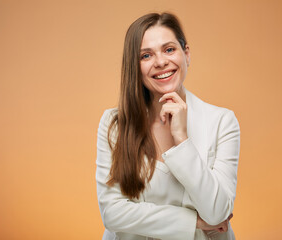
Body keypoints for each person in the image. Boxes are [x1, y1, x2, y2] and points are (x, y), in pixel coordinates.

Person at [96, 12, 240, 240]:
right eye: (146, 55)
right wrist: (193, 222)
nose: (161, 61)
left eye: (169, 49)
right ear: (135, 66)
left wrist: (182, 140)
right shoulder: (114, 123)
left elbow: (218, 212)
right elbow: (112, 213)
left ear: (187, 54)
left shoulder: (222, 122)